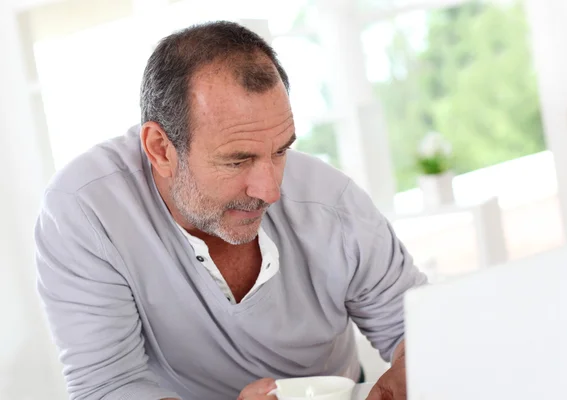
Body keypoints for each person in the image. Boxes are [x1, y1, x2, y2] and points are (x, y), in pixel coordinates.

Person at [34, 21, 426, 400]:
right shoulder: (85, 212)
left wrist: (417, 369)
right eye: (237, 161)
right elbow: (108, 386)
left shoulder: (333, 204)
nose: (270, 190)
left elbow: (423, 327)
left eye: (280, 150)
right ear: (160, 149)